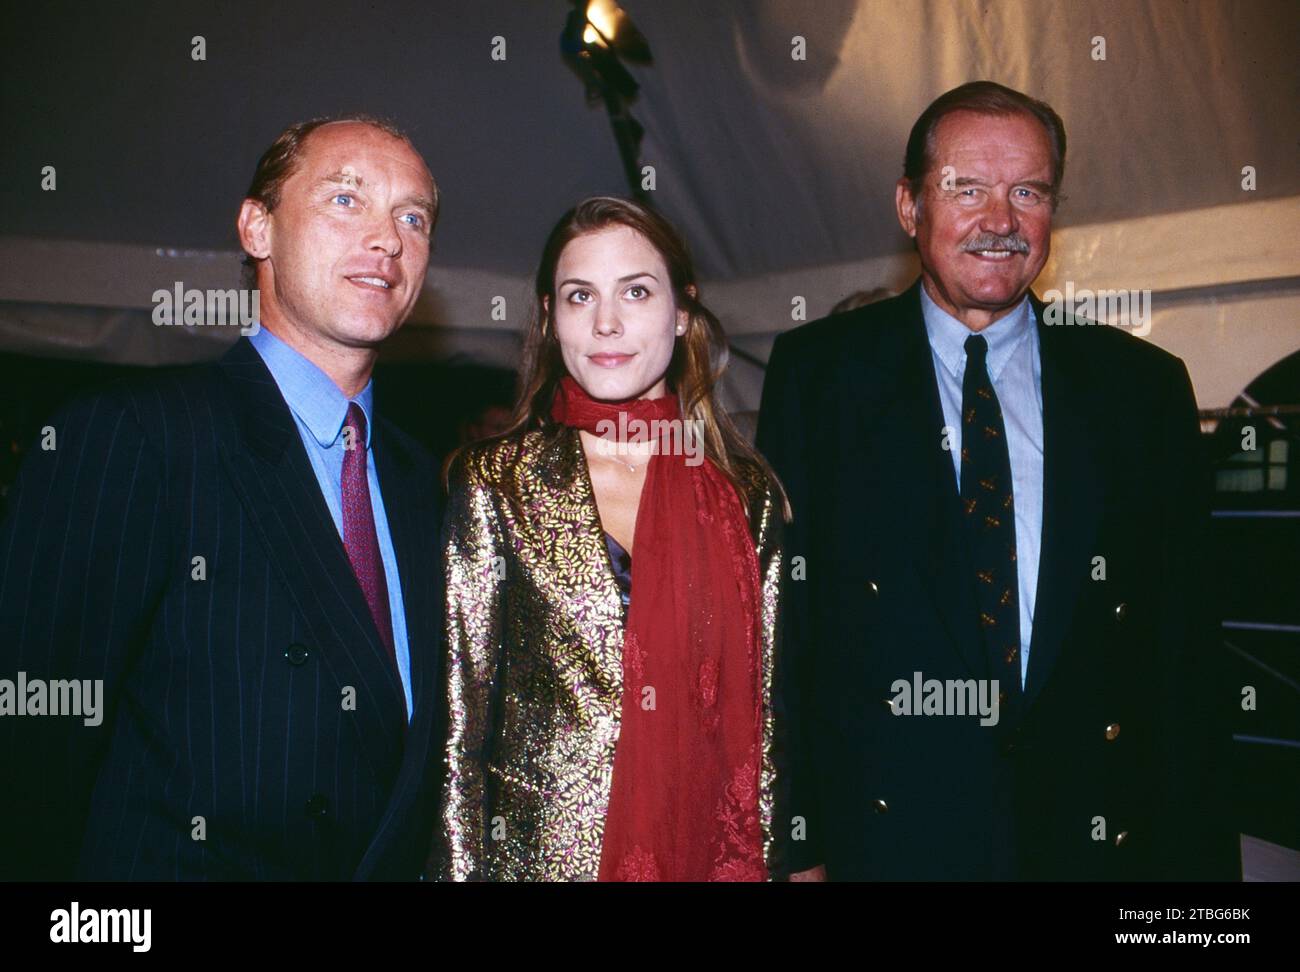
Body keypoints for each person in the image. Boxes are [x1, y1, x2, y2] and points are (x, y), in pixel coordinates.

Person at [757, 81, 1239, 881]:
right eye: (967, 189)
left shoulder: (1140, 389)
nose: (1000, 221)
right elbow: (788, 634)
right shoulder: (821, 378)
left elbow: (1186, 655)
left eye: (1028, 191)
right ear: (909, 206)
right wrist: (799, 844)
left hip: (1092, 841)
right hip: (892, 839)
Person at [0, 115, 445, 880]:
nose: (389, 239)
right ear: (257, 228)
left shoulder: (422, 482)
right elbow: (31, 751)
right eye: (347, 199)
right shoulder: (134, 437)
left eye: (413, 217)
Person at [438, 197, 804, 881]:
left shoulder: (743, 493)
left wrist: (783, 862)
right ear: (550, 321)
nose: (607, 322)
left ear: (683, 311)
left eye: (636, 291)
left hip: (703, 856)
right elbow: (461, 729)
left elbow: (768, 717)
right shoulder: (496, 482)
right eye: (580, 297)